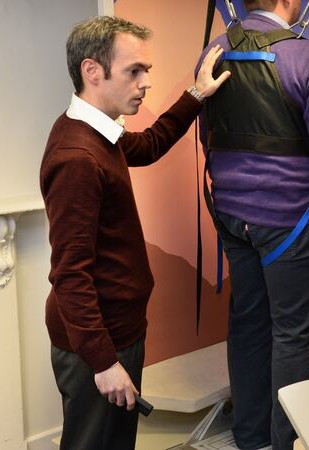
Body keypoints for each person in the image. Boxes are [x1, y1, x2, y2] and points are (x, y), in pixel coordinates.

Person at [40, 16, 230, 450]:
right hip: (100, 343)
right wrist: (104, 363)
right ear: (93, 71)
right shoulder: (77, 157)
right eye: (134, 71)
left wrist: (196, 94)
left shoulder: (96, 132)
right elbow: (70, 277)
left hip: (116, 332)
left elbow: (149, 144)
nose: (145, 81)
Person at [198, 1, 309, 449]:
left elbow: (207, 135)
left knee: (249, 322)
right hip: (290, 224)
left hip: (233, 220)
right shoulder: (308, 59)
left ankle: (250, 437)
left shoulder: (213, 51)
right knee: (295, 332)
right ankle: (283, 443)